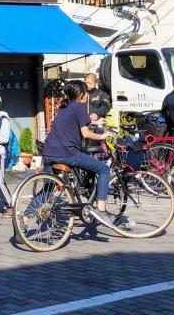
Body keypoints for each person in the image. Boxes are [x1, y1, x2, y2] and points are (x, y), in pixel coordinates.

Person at [41, 81, 120, 227]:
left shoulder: (64, 106)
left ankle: (25, 218)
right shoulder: (79, 106)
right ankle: (101, 210)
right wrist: (103, 136)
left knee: (47, 189)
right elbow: (86, 133)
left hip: (48, 152)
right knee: (103, 169)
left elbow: (75, 123)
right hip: (67, 153)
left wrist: (95, 123)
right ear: (82, 95)